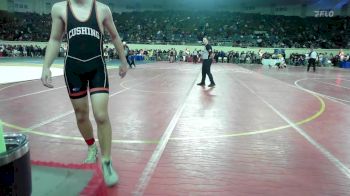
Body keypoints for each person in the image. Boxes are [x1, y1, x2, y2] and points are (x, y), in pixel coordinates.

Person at [40, 0, 128, 186]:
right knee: (81, 115)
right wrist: (46, 66)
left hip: (97, 67)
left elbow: (115, 36)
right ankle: (91, 147)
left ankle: (106, 162)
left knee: (101, 114)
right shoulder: (59, 8)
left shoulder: (102, 9)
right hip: (73, 69)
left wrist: (123, 60)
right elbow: (55, 39)